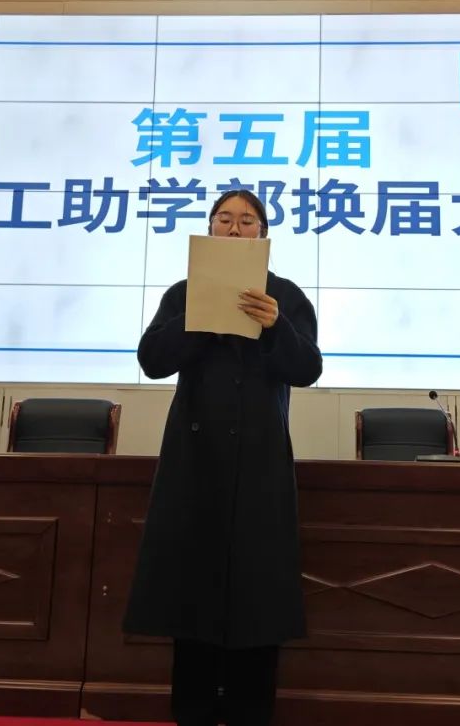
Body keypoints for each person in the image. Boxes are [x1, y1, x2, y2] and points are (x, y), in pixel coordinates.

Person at [123, 189, 323, 726]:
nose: (235, 229)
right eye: (224, 219)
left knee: (258, 597)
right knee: (191, 593)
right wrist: (198, 319)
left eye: (247, 221)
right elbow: (152, 361)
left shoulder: (286, 296)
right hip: (195, 463)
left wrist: (276, 327)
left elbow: (307, 369)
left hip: (260, 465)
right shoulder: (183, 294)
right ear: (209, 229)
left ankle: (249, 712)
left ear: (264, 233)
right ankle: (191, 710)